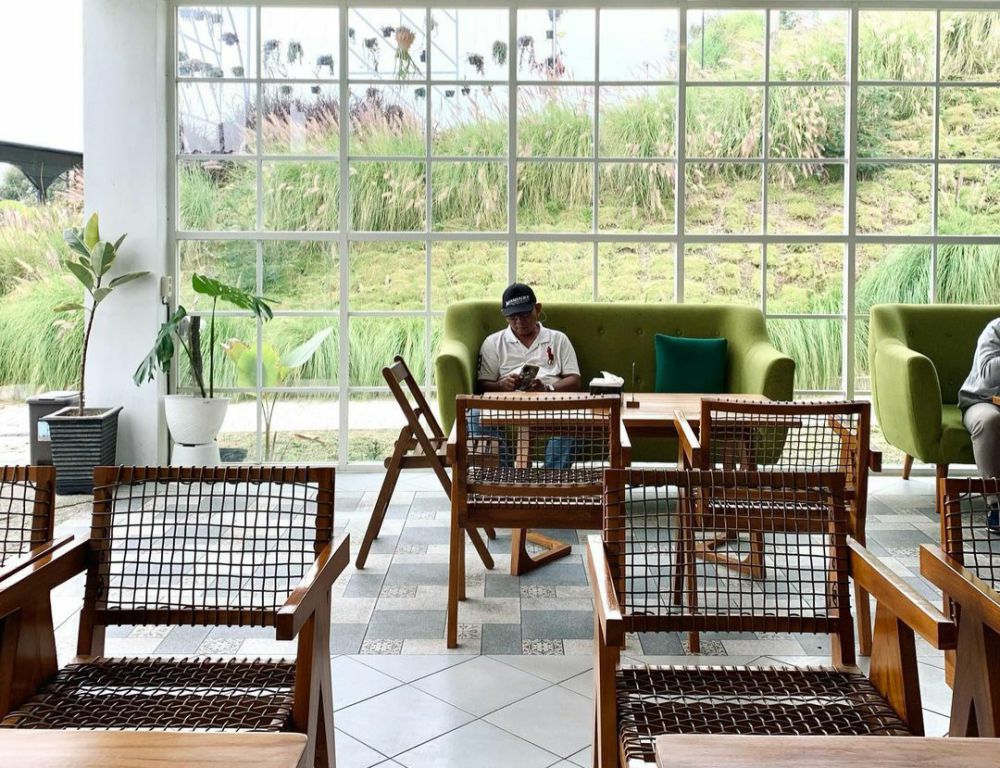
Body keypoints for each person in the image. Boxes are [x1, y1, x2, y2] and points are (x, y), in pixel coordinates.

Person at [474, 283, 582, 469]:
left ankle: (551, 479)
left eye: (525, 314)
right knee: (474, 415)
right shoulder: (493, 342)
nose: (519, 322)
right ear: (505, 316)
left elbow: (575, 379)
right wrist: (501, 385)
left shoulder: (557, 339)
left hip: (551, 402)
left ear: (537, 309)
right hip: (507, 402)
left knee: (577, 419)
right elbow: (483, 384)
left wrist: (548, 389)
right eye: (512, 317)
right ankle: (507, 476)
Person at [958, 317, 1000, 533]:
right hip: (981, 401)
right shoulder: (995, 329)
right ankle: (996, 505)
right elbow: (986, 376)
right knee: (989, 421)